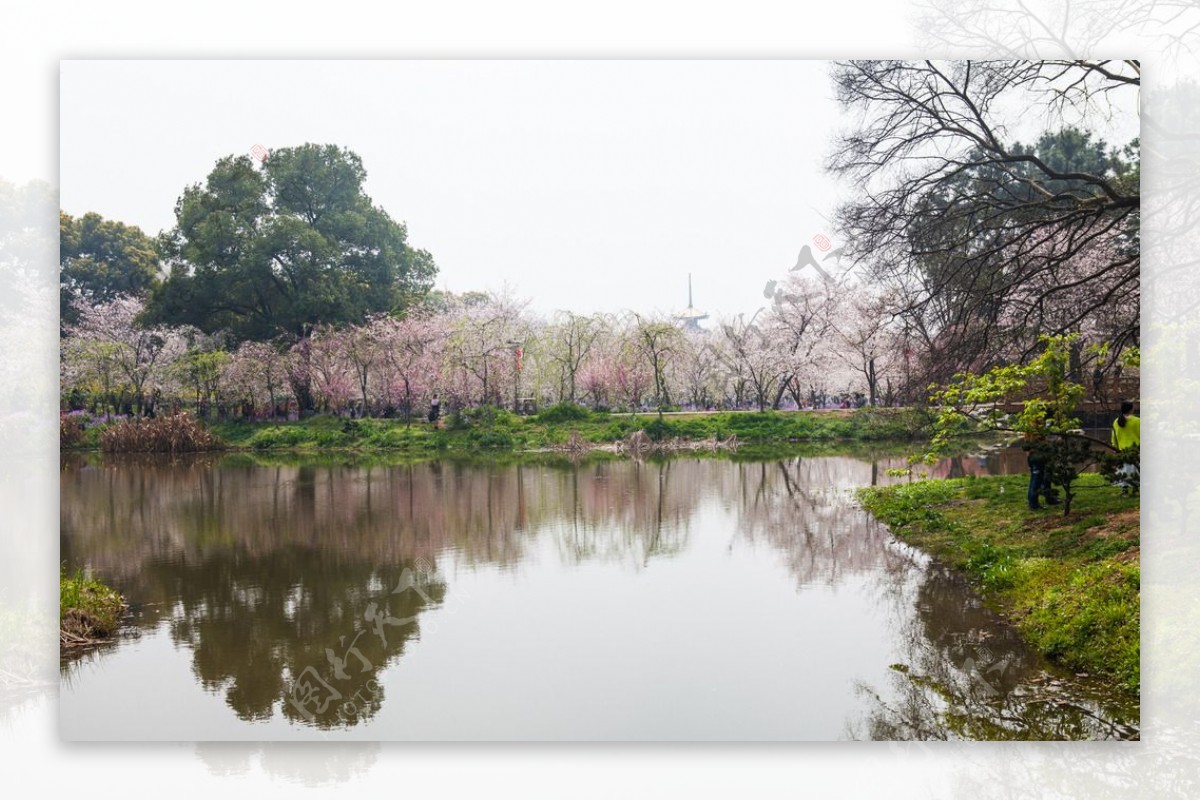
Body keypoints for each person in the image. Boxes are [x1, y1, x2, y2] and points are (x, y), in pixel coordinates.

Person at [1111, 400, 1140, 494]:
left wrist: (1115, 447)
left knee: (1123, 470)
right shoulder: (1137, 421)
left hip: (1121, 450)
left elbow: (1114, 436)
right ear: (1131, 409)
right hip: (1135, 449)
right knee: (1135, 470)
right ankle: (1135, 488)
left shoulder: (1116, 421)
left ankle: (1124, 489)